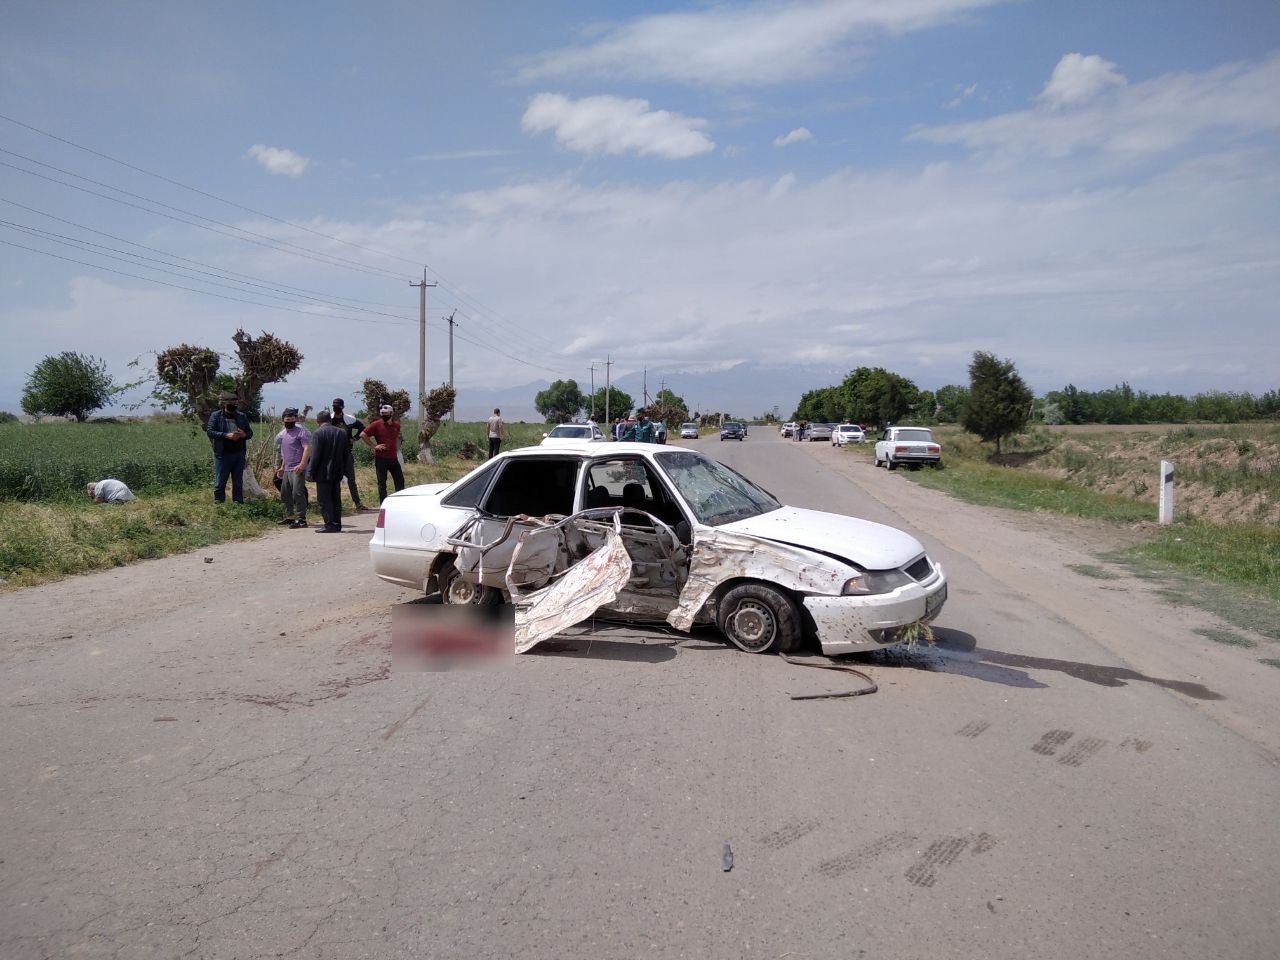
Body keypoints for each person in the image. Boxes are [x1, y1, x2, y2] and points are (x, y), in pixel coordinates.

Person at [205, 391, 253, 504]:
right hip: (223, 454)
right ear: (223, 403)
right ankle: (219, 505)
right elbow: (210, 431)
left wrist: (243, 434)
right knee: (220, 482)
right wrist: (226, 435)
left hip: (239, 454)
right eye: (229, 400)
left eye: (234, 400)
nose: (232, 403)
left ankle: (238, 504)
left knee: (238, 482)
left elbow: (250, 433)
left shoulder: (242, 416)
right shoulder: (216, 415)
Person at [307, 410, 351, 533]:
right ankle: (337, 524)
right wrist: (347, 472)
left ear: (318, 421)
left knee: (324, 500)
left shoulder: (318, 433)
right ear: (330, 420)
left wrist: (310, 472)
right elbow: (346, 454)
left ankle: (330, 524)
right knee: (336, 498)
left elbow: (316, 455)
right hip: (338, 471)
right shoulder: (341, 432)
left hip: (323, 472)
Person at [329, 398, 369, 512]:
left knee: (351, 479)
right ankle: (337, 505)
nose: (336, 408)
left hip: (347, 453)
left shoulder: (349, 419)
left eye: (338, 406)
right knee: (335, 480)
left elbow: (363, 428)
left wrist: (355, 438)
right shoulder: (329, 419)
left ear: (342, 407)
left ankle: (358, 503)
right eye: (334, 406)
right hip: (333, 454)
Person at [275, 407, 311, 528]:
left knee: (297, 493)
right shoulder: (283, 434)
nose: (289, 421)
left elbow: (307, 448)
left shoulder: (301, 431)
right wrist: (282, 467)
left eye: (291, 419)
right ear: (283, 420)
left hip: (298, 468)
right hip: (287, 469)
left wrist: (302, 464)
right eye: (287, 419)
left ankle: (301, 519)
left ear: (295, 419)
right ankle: (290, 517)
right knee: (285, 493)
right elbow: (286, 452)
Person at [362, 404, 405, 503]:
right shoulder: (376, 424)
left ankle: (400, 502)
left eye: (386, 413)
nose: (384, 415)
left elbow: (398, 437)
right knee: (382, 484)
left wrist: (397, 449)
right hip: (381, 459)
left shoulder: (396, 425)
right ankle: (383, 504)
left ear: (391, 413)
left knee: (400, 481)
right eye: (382, 413)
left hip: (393, 458)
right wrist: (374, 446)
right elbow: (363, 435)